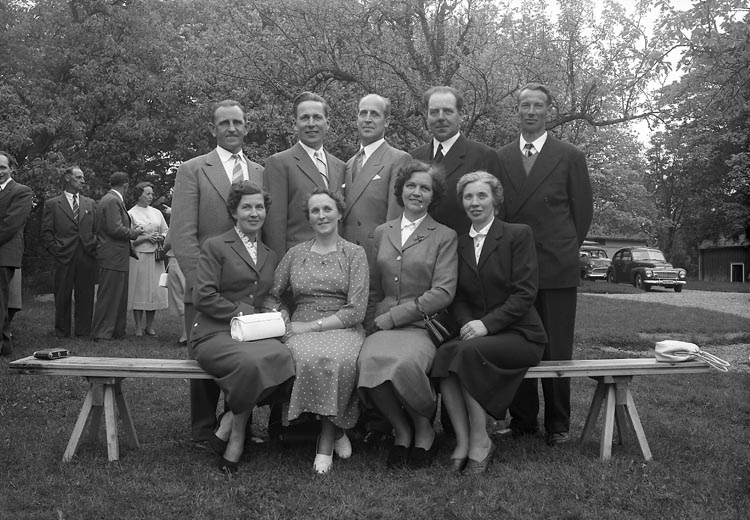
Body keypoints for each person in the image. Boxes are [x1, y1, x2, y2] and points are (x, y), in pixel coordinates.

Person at [431, 171, 547, 474]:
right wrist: (468, 323)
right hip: (478, 333)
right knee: (444, 355)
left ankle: (481, 440)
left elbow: (525, 293)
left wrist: (486, 325)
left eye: (482, 195)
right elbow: (458, 297)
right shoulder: (458, 243)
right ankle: (463, 441)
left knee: (467, 353)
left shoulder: (517, 234)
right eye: (468, 196)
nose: (475, 202)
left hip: (521, 335)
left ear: (495, 199)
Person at [497, 83, 593, 446]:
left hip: (556, 266)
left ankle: (558, 424)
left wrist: (562, 246)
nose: (531, 111)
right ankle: (523, 420)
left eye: (538, 105)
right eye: (525, 105)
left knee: (556, 346)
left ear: (548, 111)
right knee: (517, 341)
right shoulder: (501, 156)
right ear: (517, 110)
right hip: (514, 266)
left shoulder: (570, 155)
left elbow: (582, 213)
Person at [171, 99, 264, 445]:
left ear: (246, 127)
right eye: (224, 123)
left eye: (237, 122)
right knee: (205, 362)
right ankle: (202, 430)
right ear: (213, 129)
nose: (231, 128)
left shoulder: (260, 172)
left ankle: (240, 426)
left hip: (247, 287)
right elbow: (182, 234)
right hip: (206, 286)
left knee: (245, 356)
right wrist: (203, 285)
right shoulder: (193, 169)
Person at [357, 160, 457, 469]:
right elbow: (373, 286)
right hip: (382, 324)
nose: (417, 192)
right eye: (411, 186)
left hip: (421, 325)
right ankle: (401, 429)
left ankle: (424, 427)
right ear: (401, 191)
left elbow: (443, 292)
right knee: (368, 362)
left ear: (433, 196)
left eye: (425, 188)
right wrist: (371, 323)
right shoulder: (382, 232)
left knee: (403, 364)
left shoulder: (444, 235)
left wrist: (396, 316)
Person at [192, 181, 295, 474]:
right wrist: (248, 313)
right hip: (214, 333)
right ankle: (237, 437)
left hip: (252, 335)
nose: (254, 213)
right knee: (251, 364)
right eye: (246, 207)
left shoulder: (268, 254)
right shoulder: (215, 246)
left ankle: (229, 423)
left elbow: (269, 297)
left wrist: (279, 312)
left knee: (283, 357)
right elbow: (204, 297)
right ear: (234, 212)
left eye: (259, 207)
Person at [267, 189, 368, 474]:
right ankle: (336, 430)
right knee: (305, 357)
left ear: (339, 213)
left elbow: (356, 310)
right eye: (315, 211)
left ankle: (325, 439)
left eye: (327, 209)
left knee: (338, 359)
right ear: (309, 218)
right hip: (300, 323)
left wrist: (312, 327)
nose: (322, 215)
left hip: (342, 325)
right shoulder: (295, 254)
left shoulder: (355, 253)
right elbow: (272, 294)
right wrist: (283, 316)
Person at [264, 92, 345, 260]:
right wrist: (281, 267)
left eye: (317, 117)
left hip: (337, 261)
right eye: (305, 118)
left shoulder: (341, 166)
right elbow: (274, 225)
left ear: (327, 123)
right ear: (295, 124)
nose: (311, 124)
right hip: (298, 261)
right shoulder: (279, 163)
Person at [409, 86, 501, 235]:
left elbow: (497, 212)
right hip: (418, 245)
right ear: (426, 116)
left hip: (464, 245)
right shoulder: (413, 157)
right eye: (434, 112)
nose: (440, 118)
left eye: (448, 111)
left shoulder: (483, 156)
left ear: (461, 115)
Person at [341, 94, 411, 264]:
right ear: (356, 119)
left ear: (386, 121)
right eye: (363, 113)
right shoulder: (349, 164)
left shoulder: (398, 159)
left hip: (375, 256)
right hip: (345, 256)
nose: (368, 119)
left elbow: (395, 219)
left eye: (374, 114)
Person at [40, 166, 97, 338]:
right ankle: (62, 331)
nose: (82, 181)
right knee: (62, 294)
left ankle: (83, 331)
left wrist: (93, 246)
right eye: (78, 177)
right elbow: (46, 232)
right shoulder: (52, 204)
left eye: (83, 178)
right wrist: (56, 250)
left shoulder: (90, 203)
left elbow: (97, 229)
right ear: (67, 178)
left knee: (86, 294)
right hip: (64, 255)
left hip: (86, 254)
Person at [91, 172, 144, 340]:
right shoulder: (112, 201)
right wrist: (134, 233)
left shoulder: (109, 199)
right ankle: (102, 332)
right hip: (112, 255)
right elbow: (114, 228)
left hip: (116, 256)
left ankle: (115, 330)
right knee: (109, 295)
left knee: (118, 295)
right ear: (126, 185)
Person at [0, 151, 33, 356]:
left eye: (2, 167)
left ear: (11, 168)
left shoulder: (22, 191)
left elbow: (10, 225)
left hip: (4, 255)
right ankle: (5, 346)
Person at [127, 182, 168, 336]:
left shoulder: (157, 213)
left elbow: (166, 230)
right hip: (140, 255)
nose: (151, 196)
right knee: (140, 290)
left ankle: (149, 326)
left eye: (152, 194)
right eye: (147, 194)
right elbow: (129, 239)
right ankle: (138, 326)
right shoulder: (131, 213)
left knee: (154, 292)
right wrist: (145, 238)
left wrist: (160, 237)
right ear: (139, 195)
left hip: (156, 256)